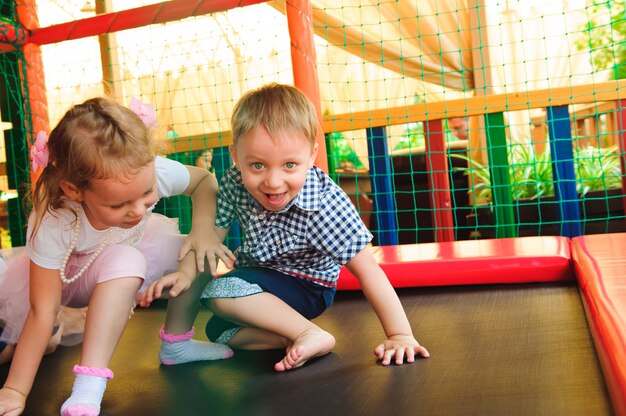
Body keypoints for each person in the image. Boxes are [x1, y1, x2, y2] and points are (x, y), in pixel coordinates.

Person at [141, 83, 430, 372]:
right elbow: (208, 244)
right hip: (258, 278)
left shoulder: (325, 204)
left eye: (290, 165)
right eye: (257, 166)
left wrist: (399, 335)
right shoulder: (233, 182)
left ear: (312, 155)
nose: (273, 181)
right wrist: (185, 274)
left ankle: (309, 332)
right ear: (236, 156)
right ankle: (296, 338)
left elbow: (368, 269)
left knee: (219, 291)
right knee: (219, 330)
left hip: (308, 287)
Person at [0, 97, 235, 416]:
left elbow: (204, 182)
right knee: (123, 262)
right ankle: (88, 386)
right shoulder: (53, 218)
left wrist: (203, 231)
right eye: (118, 205)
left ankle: (176, 343)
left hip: (127, 253)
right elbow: (43, 308)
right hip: (66, 281)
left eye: (146, 194)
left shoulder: (145, 169)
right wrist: (14, 391)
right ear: (74, 190)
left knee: (205, 251)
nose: (138, 210)